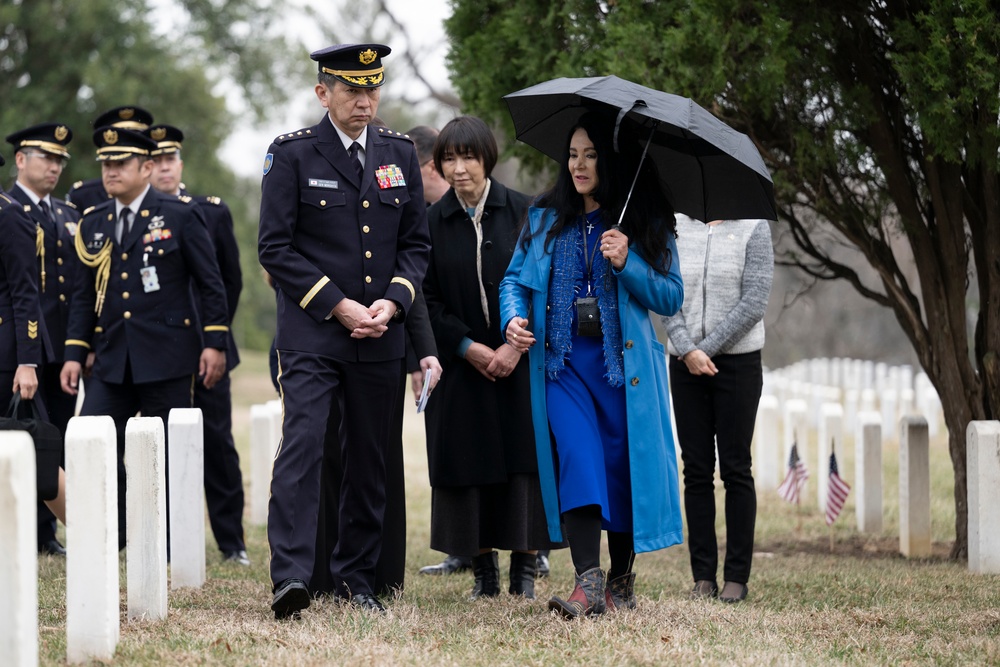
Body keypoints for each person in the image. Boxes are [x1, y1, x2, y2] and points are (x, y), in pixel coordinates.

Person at [258, 43, 430, 619]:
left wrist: (392, 302)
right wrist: (337, 306)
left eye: (372, 89)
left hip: (381, 334)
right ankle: (291, 576)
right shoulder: (292, 155)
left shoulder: (399, 152)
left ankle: (358, 577)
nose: (365, 100)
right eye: (352, 89)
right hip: (313, 334)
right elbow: (274, 248)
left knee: (370, 459)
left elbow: (415, 246)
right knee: (304, 446)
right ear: (322, 92)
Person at [499, 113, 685, 618]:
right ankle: (587, 583)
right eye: (573, 154)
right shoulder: (543, 217)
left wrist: (629, 262)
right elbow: (512, 281)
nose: (579, 165)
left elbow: (670, 296)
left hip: (623, 371)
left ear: (612, 160)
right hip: (561, 367)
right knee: (579, 458)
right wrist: (513, 318)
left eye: (592, 155)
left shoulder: (644, 221)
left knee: (621, 467)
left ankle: (621, 583)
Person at [59, 126, 230, 551]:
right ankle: (114, 534)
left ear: (148, 167)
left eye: (120, 164)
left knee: (169, 452)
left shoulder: (180, 214)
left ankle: (170, 541)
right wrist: (74, 353)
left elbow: (211, 284)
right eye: (105, 164)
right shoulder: (94, 221)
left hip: (168, 355)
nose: (110, 171)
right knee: (92, 439)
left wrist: (214, 342)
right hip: (114, 359)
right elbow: (84, 296)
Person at [422, 115, 557, 600]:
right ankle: (483, 573)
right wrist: (470, 347)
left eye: (468, 157)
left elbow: (543, 288)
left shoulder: (525, 213)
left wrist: (513, 345)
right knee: (466, 461)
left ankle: (524, 570)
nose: (459, 169)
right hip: (460, 365)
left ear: (487, 159)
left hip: (521, 360)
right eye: (449, 159)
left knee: (524, 462)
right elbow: (425, 298)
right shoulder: (430, 223)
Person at [145, 123, 249, 566]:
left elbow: (229, 281)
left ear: (179, 163)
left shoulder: (210, 211)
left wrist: (217, 338)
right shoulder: (136, 217)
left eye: (171, 159)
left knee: (218, 443)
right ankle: (163, 538)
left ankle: (232, 543)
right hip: (158, 350)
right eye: (157, 161)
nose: (165, 167)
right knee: (156, 443)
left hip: (208, 348)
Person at [662, 214, 773, 604]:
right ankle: (703, 576)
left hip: (738, 364)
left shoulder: (754, 229)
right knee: (695, 470)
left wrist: (704, 350)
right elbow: (666, 293)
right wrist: (686, 348)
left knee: (736, 468)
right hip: (684, 364)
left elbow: (755, 301)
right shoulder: (675, 226)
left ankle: (737, 577)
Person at [4, 122, 81, 555]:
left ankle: (45, 533)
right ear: (20, 159)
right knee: (27, 435)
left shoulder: (67, 214)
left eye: (59, 161)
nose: (54, 167)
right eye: (46, 158)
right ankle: (29, 530)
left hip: (59, 348)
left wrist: (76, 348)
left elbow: (76, 289)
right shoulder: (9, 208)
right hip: (22, 345)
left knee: (56, 435)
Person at [0, 150, 66, 527]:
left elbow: (26, 294)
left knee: (32, 447)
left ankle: (91, 531)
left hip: (7, 355)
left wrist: (28, 361)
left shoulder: (9, 215)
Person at [65, 106, 154, 210]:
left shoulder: (163, 190)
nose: (123, 140)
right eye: (107, 164)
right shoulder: (85, 195)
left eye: (121, 163)